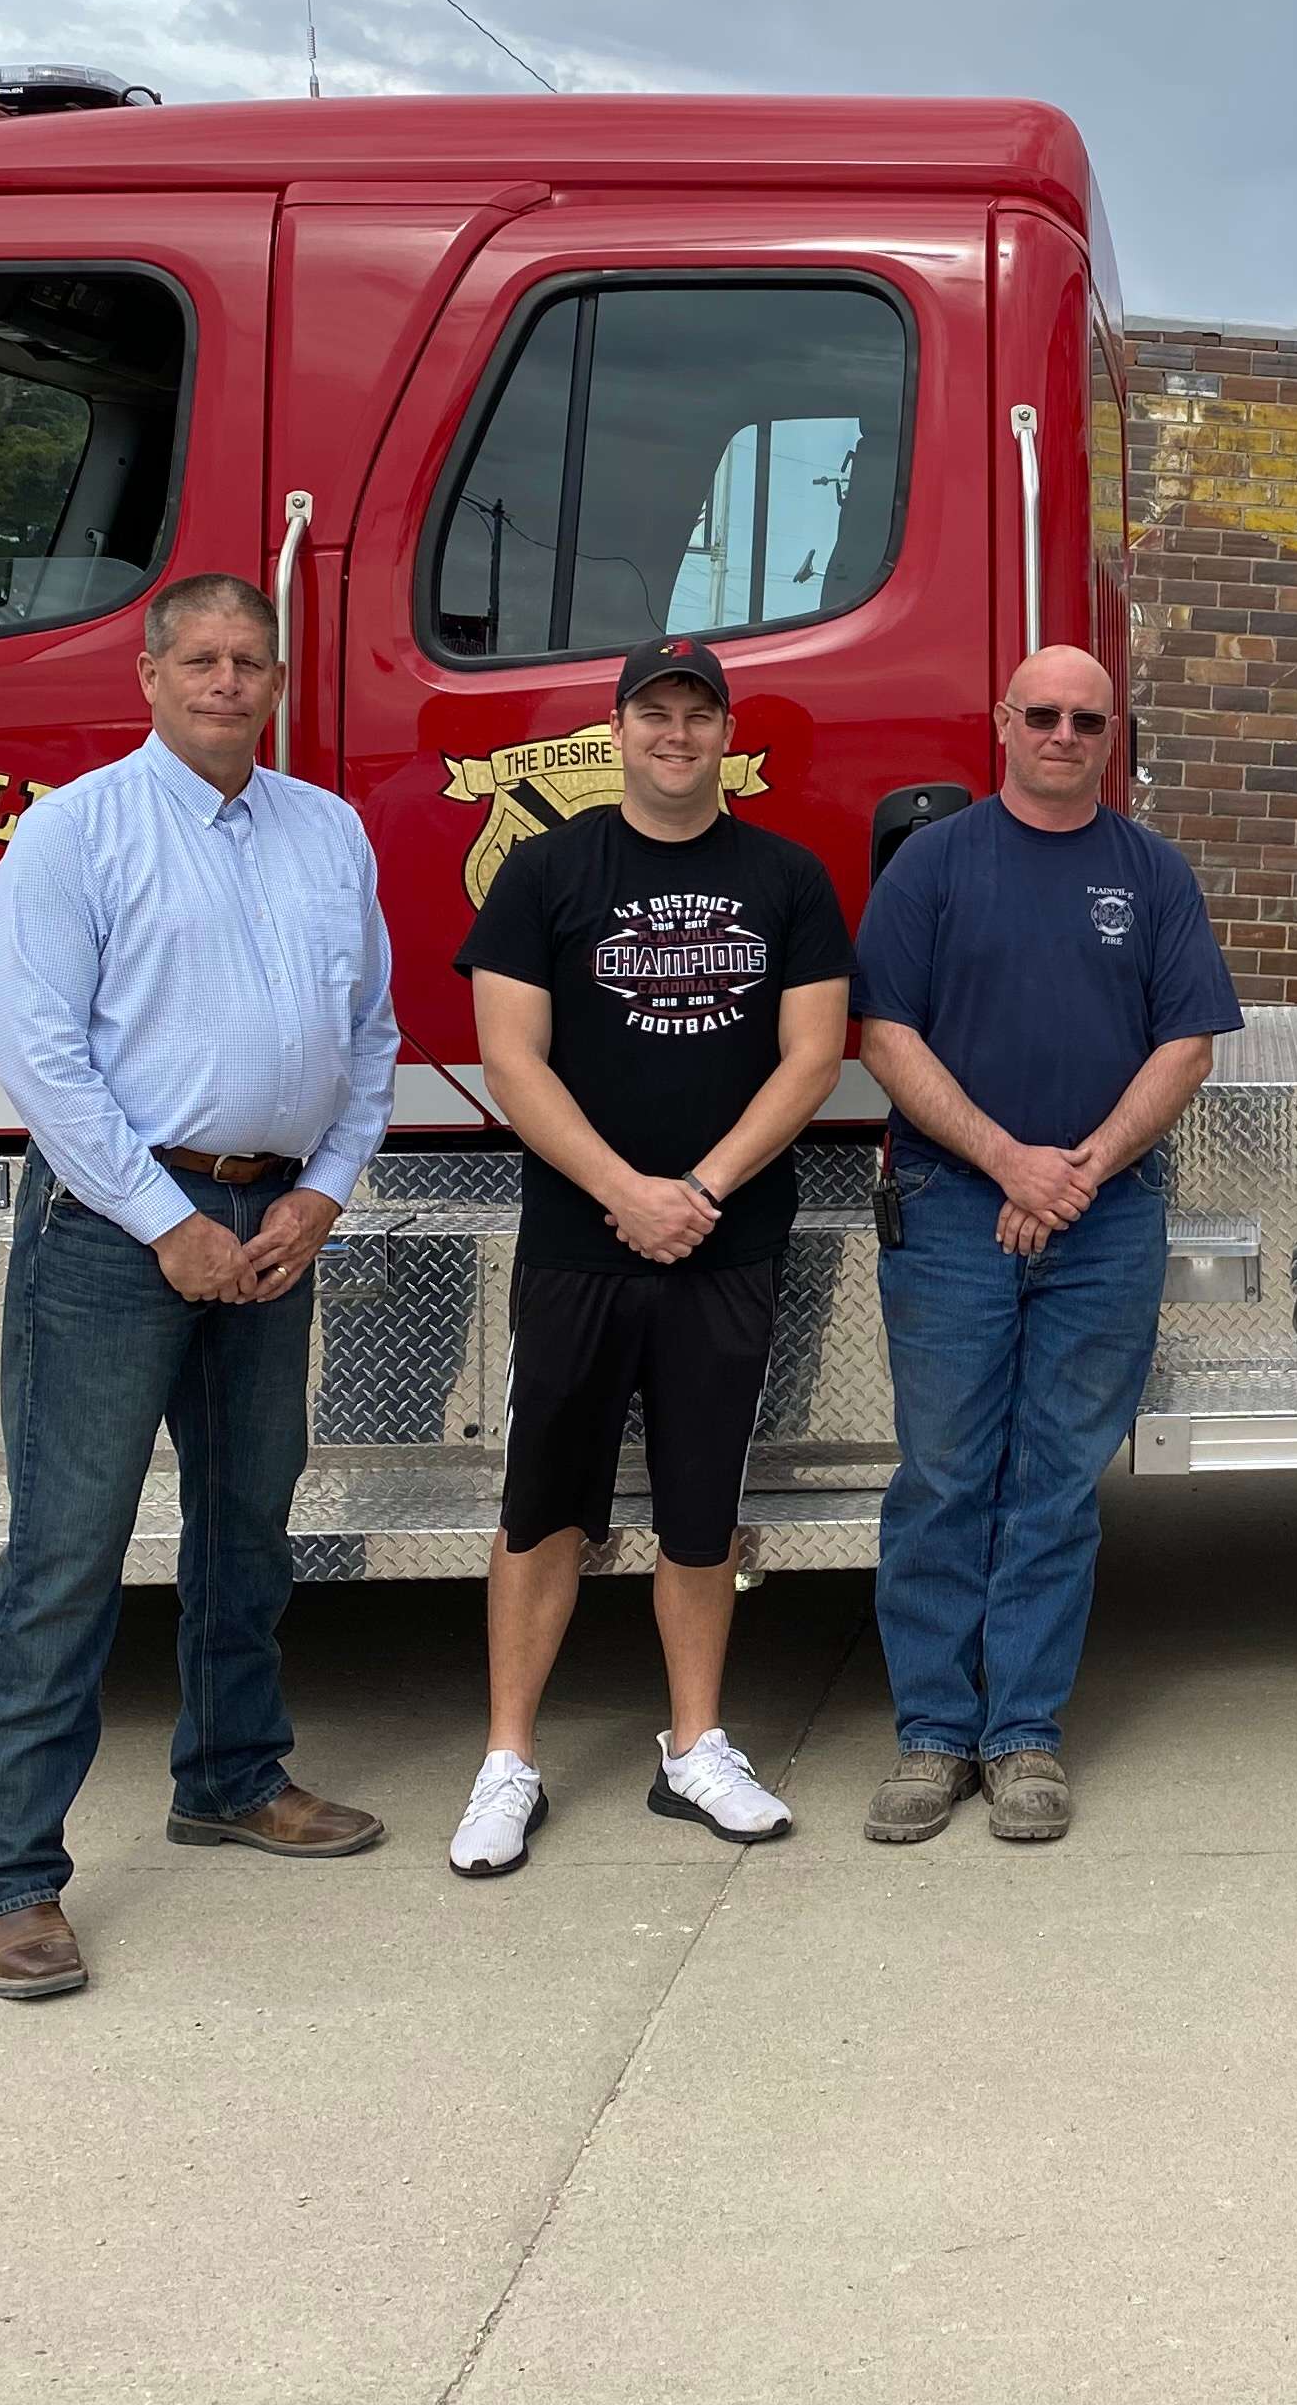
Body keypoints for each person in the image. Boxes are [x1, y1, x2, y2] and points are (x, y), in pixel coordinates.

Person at [0, 573, 398, 2001]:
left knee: (249, 1525)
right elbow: (42, 1057)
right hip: (114, 1227)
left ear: (277, 682)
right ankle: (9, 1879)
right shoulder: (76, 831)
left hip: (276, 1220)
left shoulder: (330, 833)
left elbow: (372, 1037)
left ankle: (230, 1776)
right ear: (146, 675)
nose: (225, 681)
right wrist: (164, 1220)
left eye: (248, 661)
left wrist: (321, 1192)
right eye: (198, 658)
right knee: (70, 1551)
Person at [443, 639, 853, 1877]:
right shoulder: (542, 870)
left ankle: (695, 1748)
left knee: (701, 1505)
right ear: (615, 729)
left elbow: (814, 1056)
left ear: (726, 734)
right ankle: (508, 1761)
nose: (677, 734)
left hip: (728, 1242)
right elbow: (511, 1059)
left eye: (699, 714)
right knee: (541, 1509)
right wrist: (625, 1191)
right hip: (581, 1239)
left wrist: (702, 1189)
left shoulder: (788, 877)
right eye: (654, 713)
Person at [848, 645, 1240, 1846]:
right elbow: (882, 1031)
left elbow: (1186, 1046)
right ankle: (931, 1736)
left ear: (1109, 735)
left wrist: (1075, 1173)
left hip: (1104, 1214)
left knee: (1057, 1483)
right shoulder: (935, 864)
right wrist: (1008, 1161)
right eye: (1044, 716)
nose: (1065, 735)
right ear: (1002, 722)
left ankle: (1023, 1737)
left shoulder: (1153, 873)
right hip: (958, 1209)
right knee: (947, 1476)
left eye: (1088, 720)